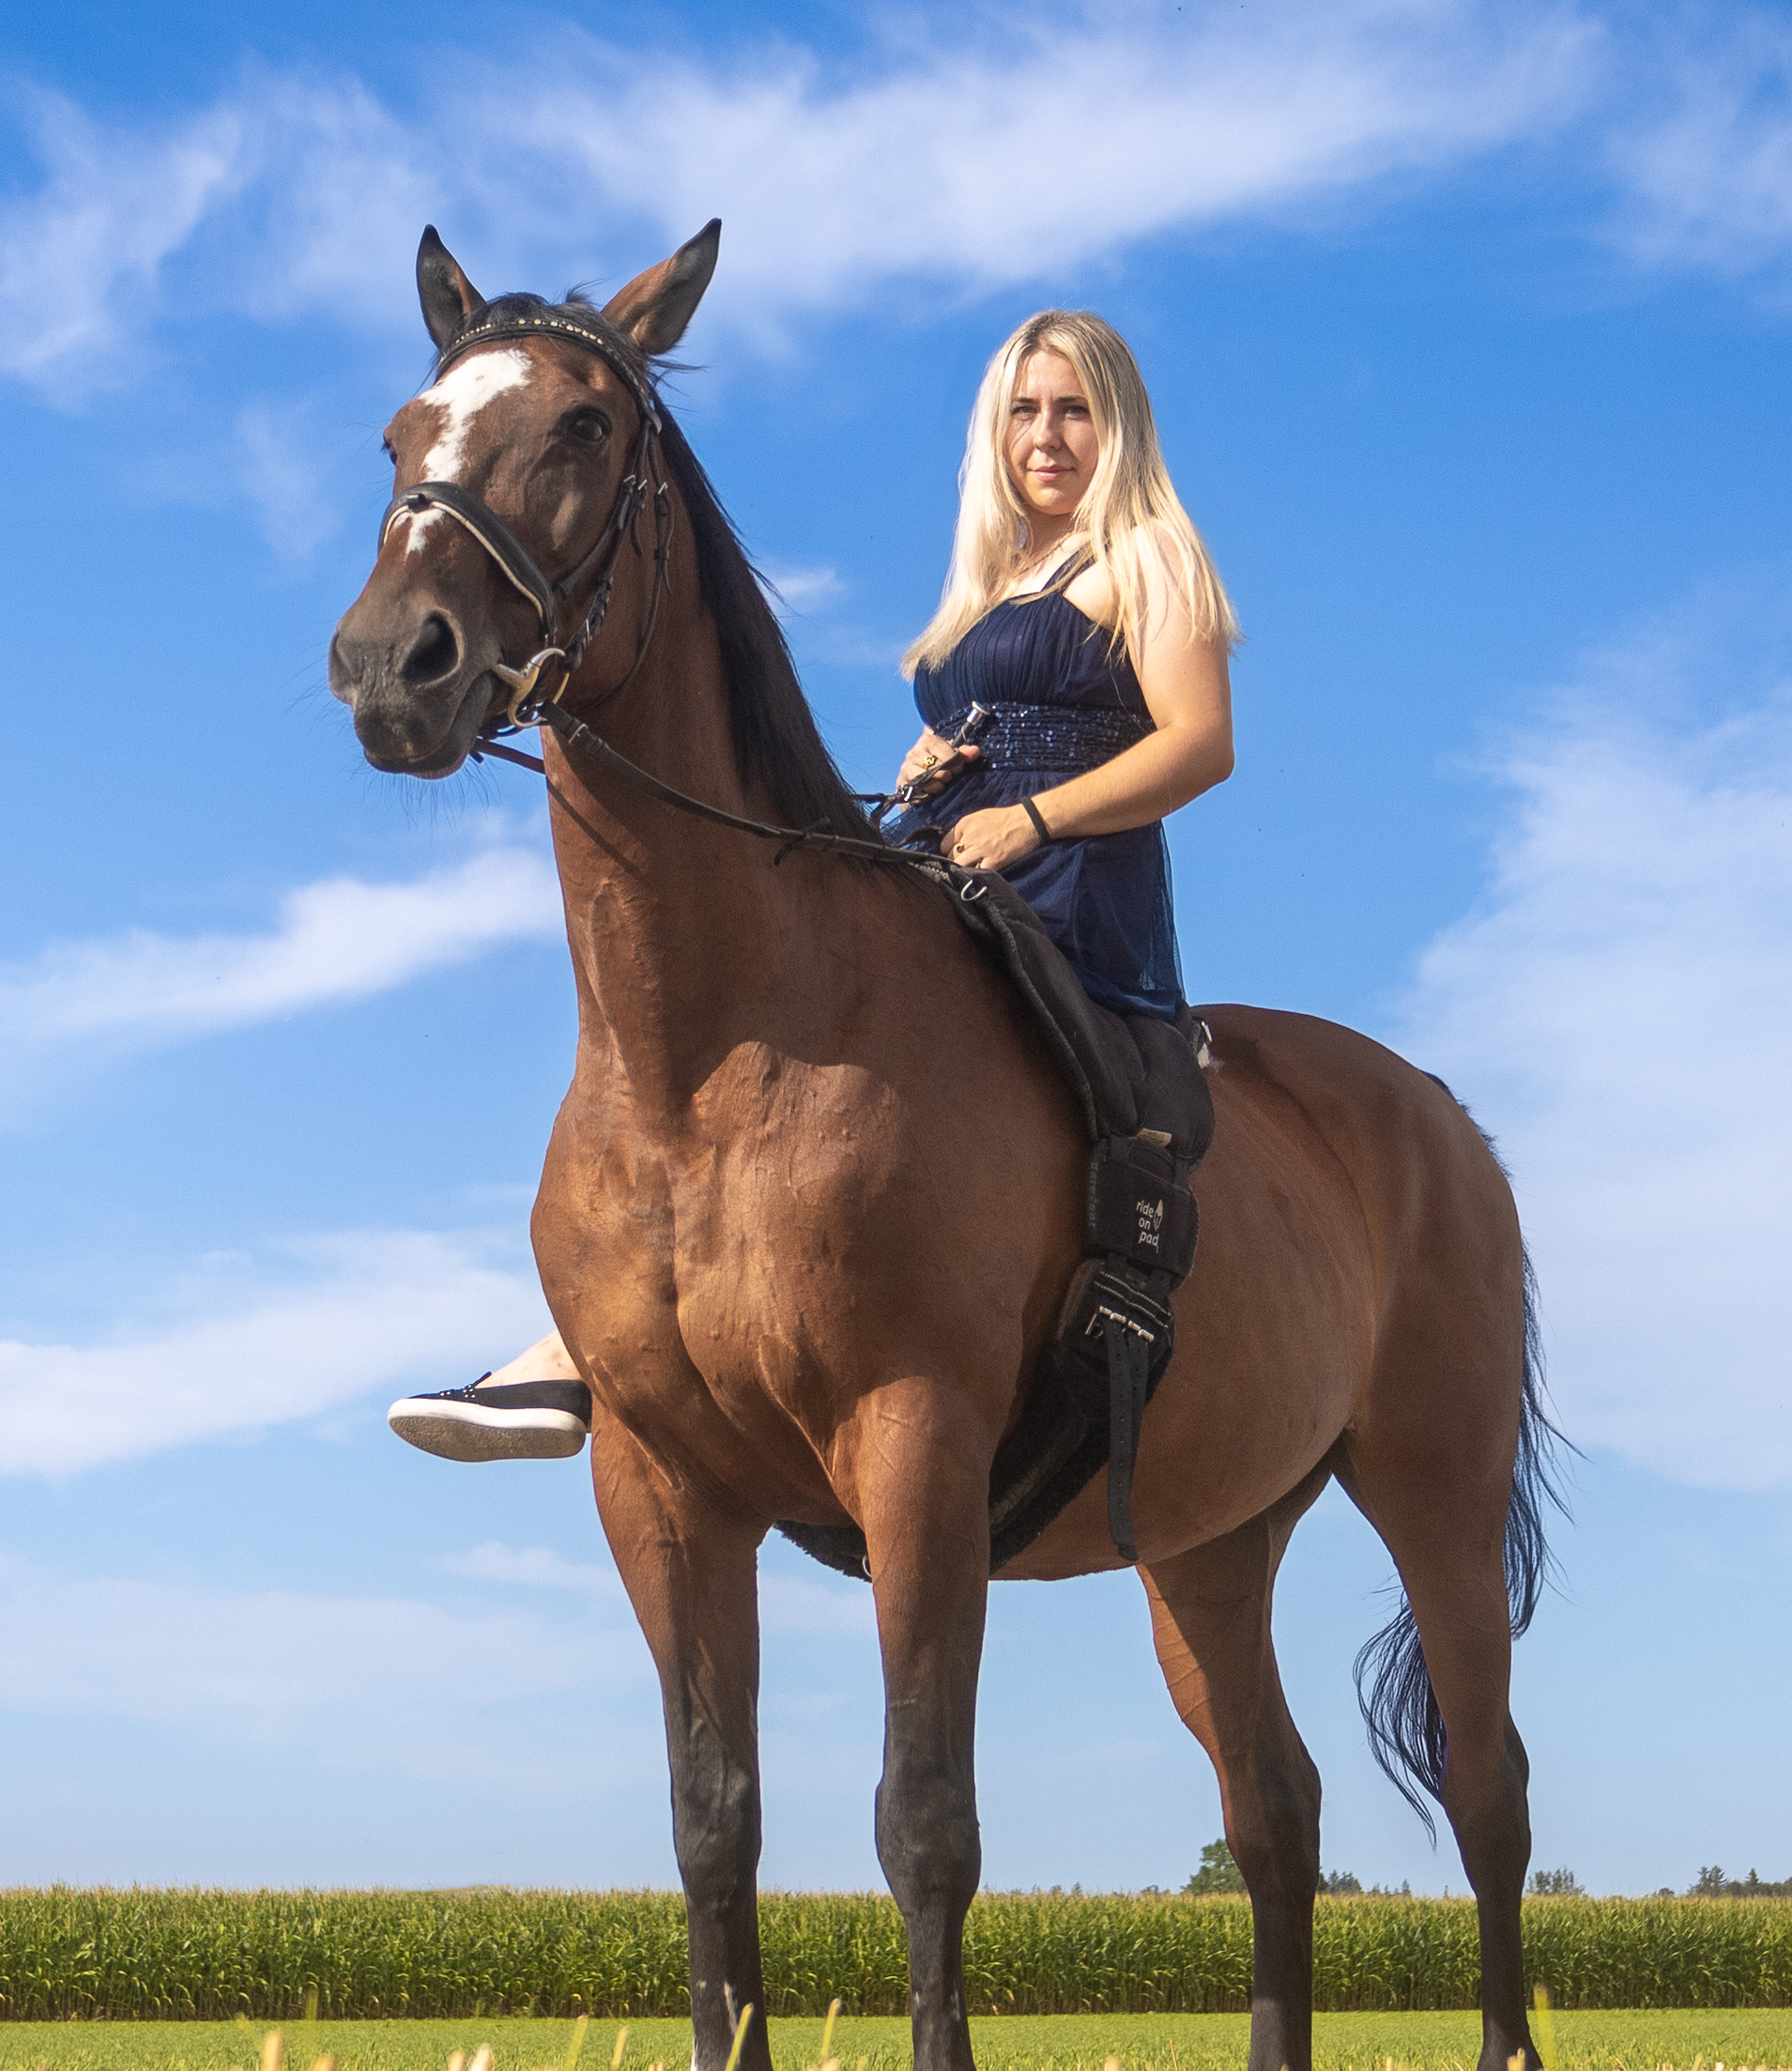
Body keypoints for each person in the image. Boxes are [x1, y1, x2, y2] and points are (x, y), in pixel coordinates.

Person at [389, 308, 1241, 1460]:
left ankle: (1108, 1285)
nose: (1048, 436)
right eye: (1025, 411)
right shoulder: (996, 580)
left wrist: (1031, 814)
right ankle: (601, 1330)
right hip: (959, 850)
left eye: (1075, 410)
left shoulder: (1145, 554)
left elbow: (1200, 743)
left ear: (1117, 425)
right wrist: (937, 764)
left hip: (1075, 880)